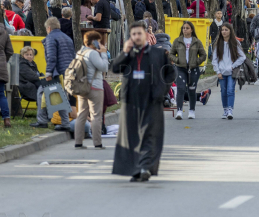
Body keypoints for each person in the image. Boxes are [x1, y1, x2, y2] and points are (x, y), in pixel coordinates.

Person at [111, 21, 174, 182]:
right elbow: (115, 68)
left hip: (152, 101)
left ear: (145, 35)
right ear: (130, 37)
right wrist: (125, 52)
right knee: (133, 137)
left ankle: (146, 167)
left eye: (139, 33)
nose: (137, 37)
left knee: (149, 135)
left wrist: (162, 91)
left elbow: (170, 73)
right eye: (134, 34)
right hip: (132, 102)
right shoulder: (129, 54)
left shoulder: (158, 53)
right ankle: (136, 169)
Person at [34, 17, 74, 132]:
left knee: (41, 92)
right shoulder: (67, 38)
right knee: (59, 96)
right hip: (68, 72)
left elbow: (52, 57)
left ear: (49, 28)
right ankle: (65, 123)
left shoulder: (50, 38)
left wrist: (48, 73)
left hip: (57, 72)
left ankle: (42, 120)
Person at [72, 31, 108, 149]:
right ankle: (97, 143)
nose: (100, 43)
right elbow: (104, 67)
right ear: (94, 42)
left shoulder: (80, 52)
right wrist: (103, 53)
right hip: (95, 87)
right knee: (96, 115)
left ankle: (78, 142)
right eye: (98, 41)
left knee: (81, 114)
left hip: (82, 87)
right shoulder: (92, 53)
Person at [170, 21, 207, 120]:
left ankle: (191, 111)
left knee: (191, 90)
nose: (185, 30)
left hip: (193, 69)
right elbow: (171, 54)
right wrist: (177, 60)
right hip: (180, 68)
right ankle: (179, 111)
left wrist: (196, 62)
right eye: (183, 28)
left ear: (191, 30)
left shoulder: (196, 41)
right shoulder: (177, 41)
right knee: (181, 89)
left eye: (187, 28)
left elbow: (203, 55)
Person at [212, 22, 246, 119]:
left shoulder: (235, 42)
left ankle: (230, 110)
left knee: (230, 90)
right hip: (221, 72)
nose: (224, 32)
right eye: (222, 30)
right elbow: (214, 60)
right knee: (223, 91)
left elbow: (242, 57)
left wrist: (233, 66)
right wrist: (217, 71)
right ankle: (225, 110)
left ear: (230, 31)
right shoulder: (218, 43)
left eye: (226, 30)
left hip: (231, 72)